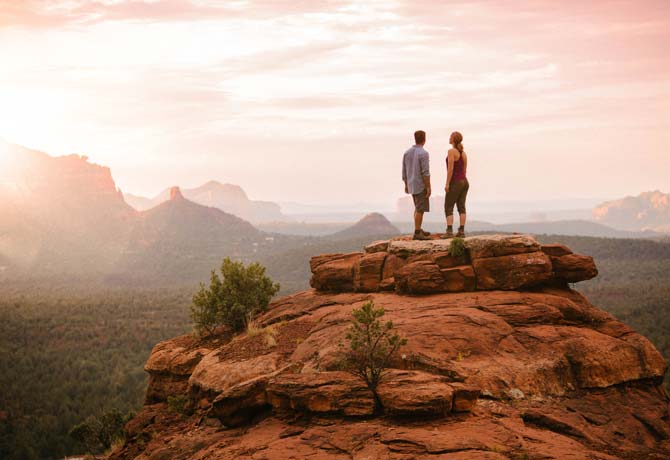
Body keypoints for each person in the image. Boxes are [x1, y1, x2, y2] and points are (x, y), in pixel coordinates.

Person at [402, 130, 432, 240]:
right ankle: (417, 233)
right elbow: (425, 172)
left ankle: (418, 229)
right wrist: (428, 187)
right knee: (420, 209)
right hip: (420, 185)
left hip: (411, 184)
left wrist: (406, 184)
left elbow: (404, 170)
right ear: (424, 139)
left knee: (417, 207)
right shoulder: (424, 153)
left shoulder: (407, 152)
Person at [443, 131, 469, 238]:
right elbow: (464, 170)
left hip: (455, 182)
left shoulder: (451, 151)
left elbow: (450, 169)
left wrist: (447, 183)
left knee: (448, 206)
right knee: (461, 206)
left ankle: (449, 232)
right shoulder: (463, 153)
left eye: (450, 136)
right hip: (465, 182)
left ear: (453, 139)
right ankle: (461, 231)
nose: (449, 138)